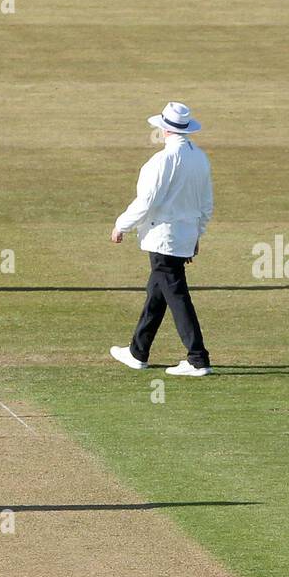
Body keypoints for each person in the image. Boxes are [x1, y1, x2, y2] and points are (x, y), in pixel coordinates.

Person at [109, 102, 214, 376]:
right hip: (182, 235)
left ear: (164, 129)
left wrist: (122, 225)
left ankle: (197, 358)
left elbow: (147, 200)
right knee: (158, 291)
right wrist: (195, 235)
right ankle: (137, 352)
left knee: (175, 293)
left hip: (163, 237)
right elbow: (206, 205)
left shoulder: (163, 160)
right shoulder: (200, 158)